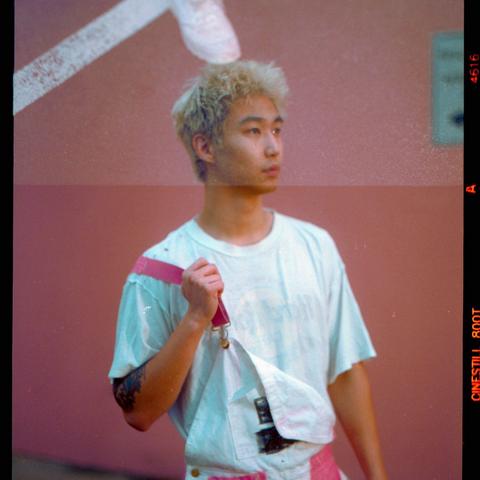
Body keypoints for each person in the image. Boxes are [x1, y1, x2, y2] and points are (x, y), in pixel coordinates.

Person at [108, 60, 388, 480]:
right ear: (206, 146)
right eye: (254, 131)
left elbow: (345, 373)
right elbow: (138, 413)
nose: (273, 147)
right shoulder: (162, 267)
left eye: (277, 130)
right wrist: (195, 319)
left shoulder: (314, 246)